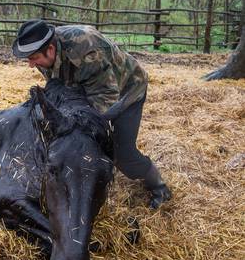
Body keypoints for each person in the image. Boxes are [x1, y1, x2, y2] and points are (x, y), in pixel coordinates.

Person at [12, 19, 171, 208]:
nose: (31, 65)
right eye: (28, 59)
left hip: (125, 92)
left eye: (34, 58)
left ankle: (159, 187)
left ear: (51, 49)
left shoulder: (87, 48)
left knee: (122, 153)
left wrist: (79, 127)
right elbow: (60, 85)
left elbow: (106, 95)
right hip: (85, 89)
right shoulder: (41, 54)